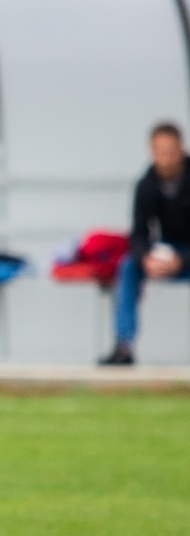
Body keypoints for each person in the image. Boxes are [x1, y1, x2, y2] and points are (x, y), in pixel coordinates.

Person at [101, 121, 190, 366]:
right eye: (160, 151)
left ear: (182, 149)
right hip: (166, 251)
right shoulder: (146, 185)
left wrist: (181, 260)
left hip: (185, 256)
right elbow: (138, 233)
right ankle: (124, 345)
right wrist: (146, 258)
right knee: (129, 267)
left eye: (170, 150)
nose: (166, 157)